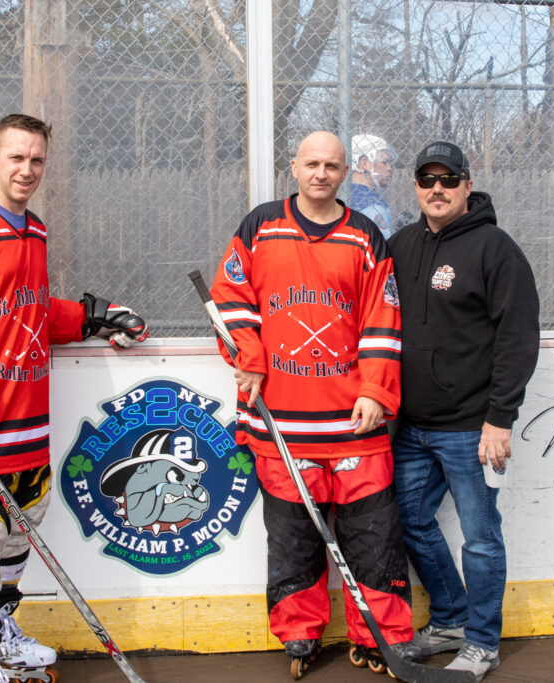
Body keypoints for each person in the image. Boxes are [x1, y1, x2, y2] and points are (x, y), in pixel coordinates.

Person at [0, 114, 149, 683]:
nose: (27, 169)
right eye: (16, 157)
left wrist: (91, 318)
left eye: (37, 160)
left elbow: (28, 309)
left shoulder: (32, 229)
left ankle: (0, 634)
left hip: (25, 423)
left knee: (17, 535)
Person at [210, 131, 416, 676]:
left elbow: (383, 319)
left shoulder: (365, 236)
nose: (321, 173)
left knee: (373, 539)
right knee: (293, 539)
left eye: (331, 165)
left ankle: (382, 636)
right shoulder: (260, 227)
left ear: (345, 171)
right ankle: (299, 635)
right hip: (281, 424)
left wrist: (375, 390)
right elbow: (230, 299)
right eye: (311, 164)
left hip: (354, 425)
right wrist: (249, 356)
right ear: (294, 167)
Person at [387, 141, 539, 681]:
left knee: (480, 540)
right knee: (407, 520)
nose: (437, 189)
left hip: (472, 428)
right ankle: (450, 618)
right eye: (427, 179)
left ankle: (482, 642)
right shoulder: (400, 246)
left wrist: (500, 418)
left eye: (448, 179)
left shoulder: (495, 249)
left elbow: (518, 337)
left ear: (467, 186)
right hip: (411, 427)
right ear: (415, 186)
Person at [349, 133, 398, 239]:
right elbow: (383, 245)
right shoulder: (373, 205)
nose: (389, 168)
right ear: (365, 164)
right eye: (384, 162)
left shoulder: (340, 195)